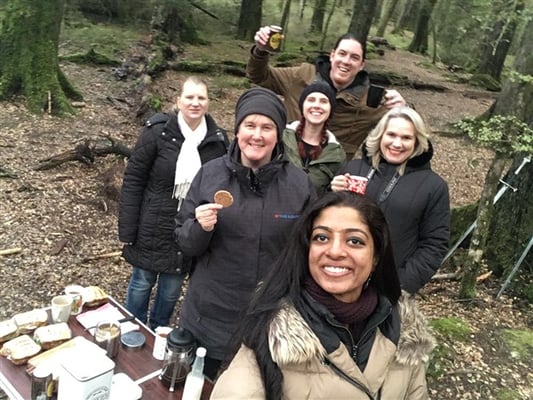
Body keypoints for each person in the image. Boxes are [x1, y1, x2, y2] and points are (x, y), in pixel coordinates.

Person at [210, 191, 434, 399]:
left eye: (354, 241)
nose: (334, 251)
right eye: (322, 238)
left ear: (376, 257)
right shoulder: (270, 335)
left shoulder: (403, 331)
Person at [174, 87, 316, 380]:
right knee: (199, 385)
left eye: (267, 127)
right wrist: (200, 228)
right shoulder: (210, 174)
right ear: (237, 130)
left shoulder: (299, 184)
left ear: (278, 135)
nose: (257, 135)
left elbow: (310, 248)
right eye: (249, 125)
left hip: (269, 316)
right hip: (210, 313)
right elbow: (185, 242)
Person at [118, 76, 229, 330]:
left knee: (171, 289)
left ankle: (158, 333)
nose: (195, 103)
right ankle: (131, 330)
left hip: (188, 227)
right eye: (189, 97)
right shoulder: (157, 132)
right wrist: (127, 228)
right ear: (178, 101)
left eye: (201, 98)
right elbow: (134, 179)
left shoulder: (217, 141)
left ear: (208, 103)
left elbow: (221, 183)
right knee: (141, 282)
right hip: (151, 223)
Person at [331, 107, 450, 294]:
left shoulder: (433, 186)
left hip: (389, 286)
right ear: (380, 136)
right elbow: (326, 223)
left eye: (406, 138)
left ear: (417, 142)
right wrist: (332, 194)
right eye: (391, 135)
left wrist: (401, 285)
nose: (397, 143)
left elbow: (434, 244)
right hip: (340, 275)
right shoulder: (353, 170)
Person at [247, 27, 408, 158]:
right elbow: (260, 76)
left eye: (354, 57)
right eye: (342, 54)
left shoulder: (370, 102)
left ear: (361, 65)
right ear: (332, 55)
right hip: (282, 165)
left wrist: (404, 108)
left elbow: (406, 130)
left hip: (331, 179)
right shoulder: (301, 76)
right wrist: (261, 50)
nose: (346, 61)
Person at [282, 81, 346, 194]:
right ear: (303, 106)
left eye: (323, 101)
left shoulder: (336, 155)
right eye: (311, 100)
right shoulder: (281, 137)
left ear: (330, 109)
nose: (316, 105)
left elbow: (331, 197)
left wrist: (333, 190)